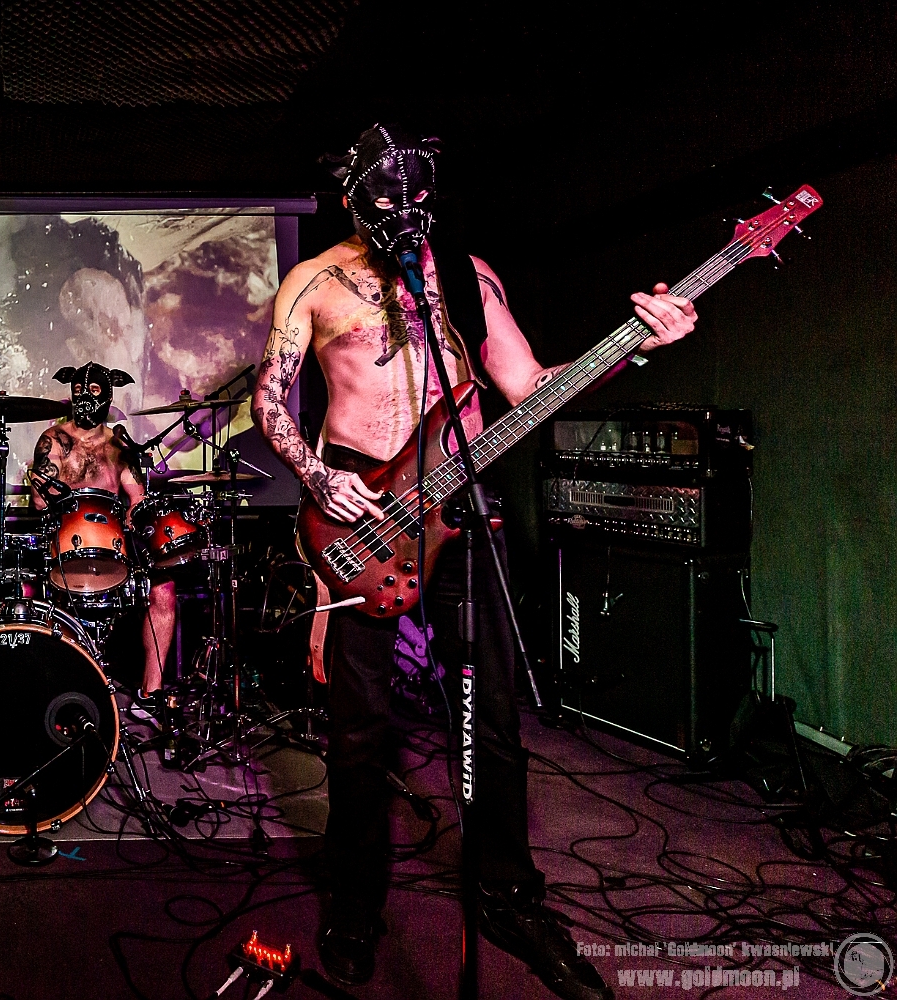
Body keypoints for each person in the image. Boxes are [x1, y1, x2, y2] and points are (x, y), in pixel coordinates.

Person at [251, 125, 696, 998]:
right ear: (352, 198)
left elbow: (527, 388)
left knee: (494, 717)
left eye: (417, 194)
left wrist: (635, 345)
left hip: (462, 503)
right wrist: (316, 474)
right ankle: (355, 901)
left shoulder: (468, 275)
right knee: (359, 729)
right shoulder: (314, 281)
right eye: (386, 196)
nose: (404, 209)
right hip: (361, 511)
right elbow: (271, 398)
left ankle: (508, 893)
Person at [27, 363, 175, 703]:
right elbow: (39, 501)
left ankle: (151, 692)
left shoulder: (117, 444)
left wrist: (136, 513)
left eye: (93, 391)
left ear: (108, 396)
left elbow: (137, 497)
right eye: (79, 391)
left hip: (113, 544)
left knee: (164, 590)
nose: (84, 397)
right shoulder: (54, 439)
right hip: (64, 544)